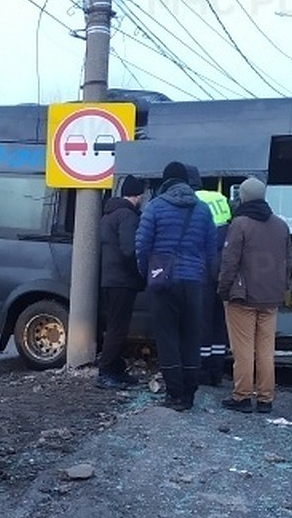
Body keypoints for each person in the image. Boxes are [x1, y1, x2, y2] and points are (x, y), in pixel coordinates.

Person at [135, 161, 216, 411]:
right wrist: (202, 275)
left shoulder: (155, 207)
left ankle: (174, 395)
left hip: (163, 282)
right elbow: (211, 251)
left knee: (167, 336)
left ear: (166, 181)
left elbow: (142, 246)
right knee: (191, 336)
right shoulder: (203, 210)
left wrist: (147, 273)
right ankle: (190, 394)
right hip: (193, 282)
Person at [217, 176, 292, 413]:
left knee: (244, 349)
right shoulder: (281, 225)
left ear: (243, 197)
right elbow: (288, 262)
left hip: (243, 297)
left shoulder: (240, 224)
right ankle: (265, 399)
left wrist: (223, 290)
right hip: (270, 298)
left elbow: (230, 262)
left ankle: (241, 397)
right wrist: (281, 288)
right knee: (266, 350)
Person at [97, 175, 147, 389]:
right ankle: (106, 372)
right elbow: (129, 250)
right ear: (139, 195)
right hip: (122, 280)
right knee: (118, 328)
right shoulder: (128, 216)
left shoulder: (109, 214)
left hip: (110, 278)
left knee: (115, 325)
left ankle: (116, 369)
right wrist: (139, 274)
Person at [187, 165, 232, 386]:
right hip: (222, 262)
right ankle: (217, 369)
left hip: (203, 265)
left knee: (201, 321)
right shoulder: (220, 198)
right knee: (218, 321)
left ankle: (202, 371)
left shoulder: (192, 201)